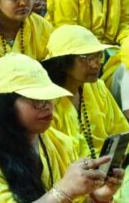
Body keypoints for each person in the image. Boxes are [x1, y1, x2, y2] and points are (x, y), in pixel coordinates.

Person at [0, 53, 125, 202]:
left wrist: (97, 197)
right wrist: (62, 191)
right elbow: (64, 193)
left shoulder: (59, 142)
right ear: (4, 105)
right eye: (37, 100)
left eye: (49, 98)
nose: (47, 106)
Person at [41, 25, 129, 159]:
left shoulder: (98, 87)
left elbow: (121, 132)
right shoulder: (45, 102)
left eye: (98, 55)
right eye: (87, 58)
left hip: (109, 166)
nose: (96, 64)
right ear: (63, 62)